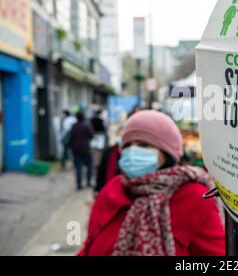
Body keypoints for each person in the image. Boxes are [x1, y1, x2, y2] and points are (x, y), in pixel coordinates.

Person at [78, 110, 225, 256]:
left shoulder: (194, 197)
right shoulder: (113, 189)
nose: (132, 151)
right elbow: (90, 244)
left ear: (167, 152)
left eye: (143, 145)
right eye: (127, 146)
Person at [70, 112, 94, 190]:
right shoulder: (86, 126)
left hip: (76, 149)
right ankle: (88, 181)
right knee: (89, 166)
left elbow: (71, 137)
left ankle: (79, 184)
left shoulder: (74, 126)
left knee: (78, 167)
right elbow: (91, 136)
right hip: (86, 149)